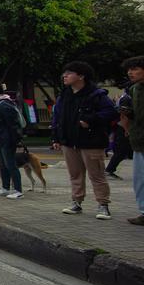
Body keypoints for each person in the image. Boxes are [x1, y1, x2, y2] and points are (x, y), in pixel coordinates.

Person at [51, 61, 116, 220]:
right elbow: (57, 117)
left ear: (81, 76)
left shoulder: (96, 95)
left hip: (91, 141)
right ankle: (76, 201)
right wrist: (56, 137)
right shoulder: (64, 95)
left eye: (69, 73)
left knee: (97, 174)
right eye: (64, 73)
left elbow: (110, 112)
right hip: (69, 141)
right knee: (75, 174)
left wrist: (91, 120)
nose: (64, 76)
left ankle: (103, 204)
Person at [0, 82, 24, 199]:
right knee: (2, 164)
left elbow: (12, 123)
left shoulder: (3, 104)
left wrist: (15, 138)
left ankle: (18, 190)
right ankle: (5, 187)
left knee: (10, 164)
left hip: (7, 138)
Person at [119, 56, 144, 226]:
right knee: (139, 179)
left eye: (135, 69)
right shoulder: (134, 89)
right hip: (139, 140)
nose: (130, 72)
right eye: (129, 69)